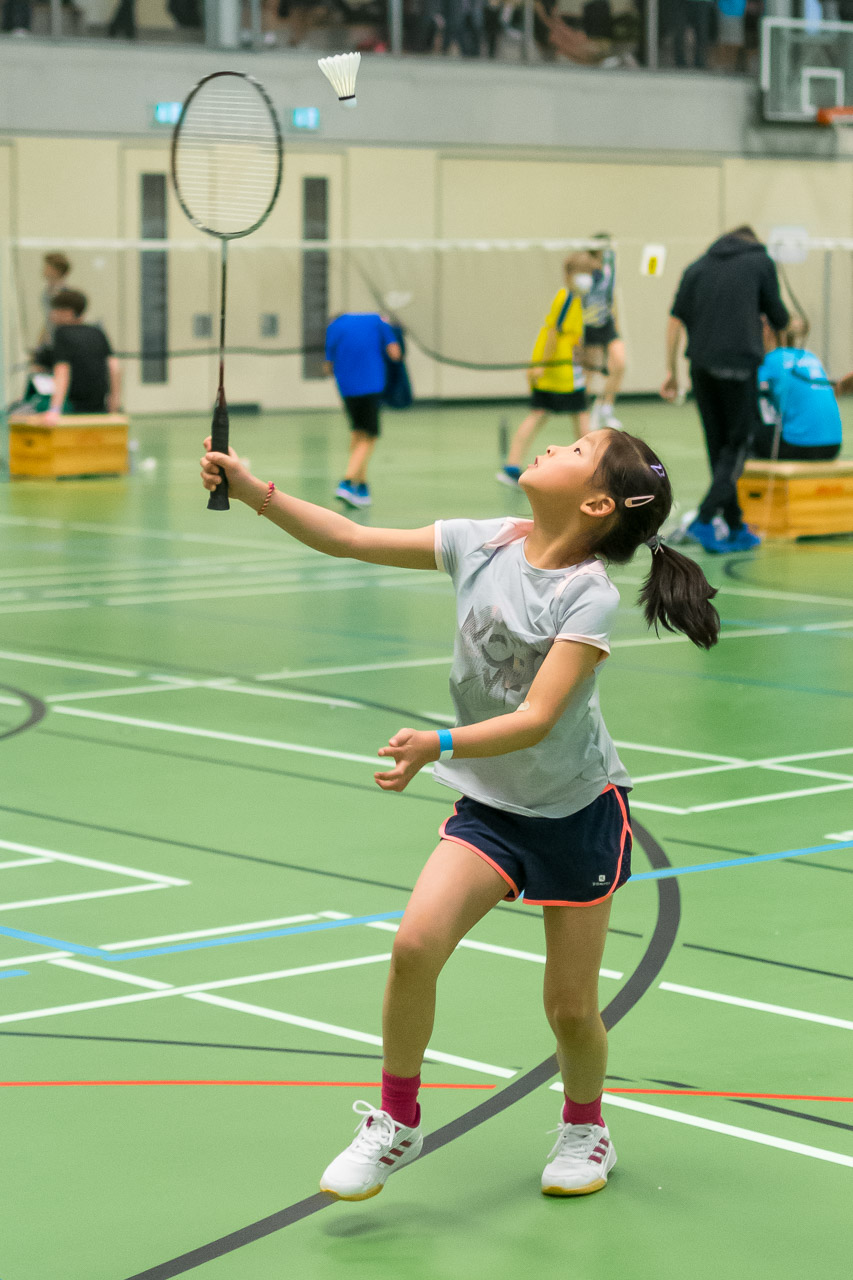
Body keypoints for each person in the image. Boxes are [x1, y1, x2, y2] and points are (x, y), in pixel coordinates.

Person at [200, 427, 720, 1203]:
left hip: (574, 811)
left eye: (576, 450)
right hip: (492, 807)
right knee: (414, 945)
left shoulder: (587, 595)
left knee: (569, 1008)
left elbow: (537, 718)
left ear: (596, 504)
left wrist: (436, 743)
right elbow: (349, 538)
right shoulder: (482, 542)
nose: (553, 446)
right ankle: (397, 1121)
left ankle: (586, 1127)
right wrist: (254, 493)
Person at [661, 224, 789, 553]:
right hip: (739, 364)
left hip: (700, 366)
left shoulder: (696, 267)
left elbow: (675, 320)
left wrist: (671, 371)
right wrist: (787, 323)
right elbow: (778, 316)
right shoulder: (760, 261)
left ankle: (734, 525)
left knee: (718, 447)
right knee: (739, 443)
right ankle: (705, 519)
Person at [497, 252, 596, 488]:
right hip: (560, 368)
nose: (587, 278)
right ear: (569, 275)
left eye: (590, 273)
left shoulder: (577, 299)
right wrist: (543, 364)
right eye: (582, 273)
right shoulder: (567, 298)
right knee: (579, 414)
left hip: (563, 366)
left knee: (544, 413)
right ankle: (593, 469)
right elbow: (553, 334)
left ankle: (512, 466)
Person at [325, 312, 401, 509]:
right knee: (370, 436)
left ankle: (361, 488)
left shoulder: (334, 327)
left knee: (358, 433)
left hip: (346, 389)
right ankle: (347, 482)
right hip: (371, 386)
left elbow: (327, 366)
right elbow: (395, 353)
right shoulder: (378, 322)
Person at [754, 317, 842, 462]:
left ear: (770, 332)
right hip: (833, 446)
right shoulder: (810, 357)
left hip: (799, 446)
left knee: (745, 429)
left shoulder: (771, 359)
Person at [42, 288, 121, 421]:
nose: (51, 315)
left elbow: (62, 370)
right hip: (99, 406)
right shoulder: (97, 332)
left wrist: (55, 409)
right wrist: (114, 402)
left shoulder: (62, 333)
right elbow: (114, 367)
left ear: (68, 312)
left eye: (55, 310)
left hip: (72, 406)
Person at [583, 235, 626, 431]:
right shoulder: (585, 270)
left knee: (620, 363)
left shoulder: (610, 267)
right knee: (589, 374)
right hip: (587, 326)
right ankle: (585, 414)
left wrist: (616, 322)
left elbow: (611, 297)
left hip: (606, 324)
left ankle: (605, 408)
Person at [37, 251, 71, 347]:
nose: (44, 269)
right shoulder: (46, 292)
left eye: (47, 266)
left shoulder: (65, 293)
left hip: (61, 340)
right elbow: (49, 318)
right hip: (50, 338)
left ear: (56, 270)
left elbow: (64, 320)